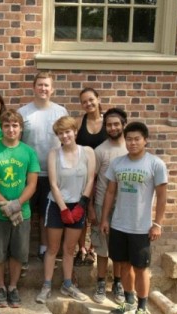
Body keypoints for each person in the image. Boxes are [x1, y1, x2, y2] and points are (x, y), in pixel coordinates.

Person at [101, 121, 168, 314]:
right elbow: (110, 192)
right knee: (123, 265)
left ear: (145, 140)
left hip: (141, 226)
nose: (132, 143)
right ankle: (128, 301)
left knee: (141, 268)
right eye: (129, 139)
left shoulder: (155, 164)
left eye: (137, 139)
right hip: (119, 223)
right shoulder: (118, 163)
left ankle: (141, 307)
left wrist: (157, 223)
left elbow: (162, 196)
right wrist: (105, 219)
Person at [35, 116, 95, 304]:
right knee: (53, 248)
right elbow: (53, 183)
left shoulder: (88, 152)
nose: (65, 136)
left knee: (69, 248)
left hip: (78, 205)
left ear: (75, 131)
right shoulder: (54, 154)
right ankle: (46, 285)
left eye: (67, 131)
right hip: (56, 205)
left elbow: (91, 179)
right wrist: (63, 209)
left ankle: (68, 284)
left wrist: (81, 206)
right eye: (60, 133)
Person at [0, 110, 40, 308]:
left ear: (21, 128)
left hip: (22, 213)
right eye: (7, 126)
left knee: (18, 253)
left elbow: (32, 183)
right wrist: (5, 205)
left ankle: (12, 287)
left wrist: (16, 205)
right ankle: (0, 287)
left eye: (15, 126)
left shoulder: (28, 152)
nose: (11, 129)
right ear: (1, 128)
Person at [18, 72, 68, 265]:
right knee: (25, 213)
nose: (43, 89)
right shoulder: (23, 112)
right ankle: (21, 252)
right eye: (40, 85)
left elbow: (66, 141)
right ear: (34, 87)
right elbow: (18, 142)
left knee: (47, 214)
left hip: (53, 173)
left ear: (52, 89)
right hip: (28, 174)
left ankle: (43, 249)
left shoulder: (60, 111)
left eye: (47, 85)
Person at [88, 108, 128, 304]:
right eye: (109, 125)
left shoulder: (131, 149)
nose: (112, 128)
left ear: (123, 124)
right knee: (102, 248)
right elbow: (91, 180)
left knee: (119, 249)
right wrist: (89, 207)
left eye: (116, 124)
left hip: (125, 207)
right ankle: (101, 282)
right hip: (101, 204)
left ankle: (118, 283)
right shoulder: (100, 151)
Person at [75, 87, 108, 266]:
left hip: (102, 174)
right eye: (84, 101)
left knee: (97, 211)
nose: (88, 104)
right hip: (83, 173)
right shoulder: (82, 121)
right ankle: (81, 248)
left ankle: (93, 249)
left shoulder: (107, 121)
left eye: (91, 100)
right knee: (83, 212)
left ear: (98, 99)